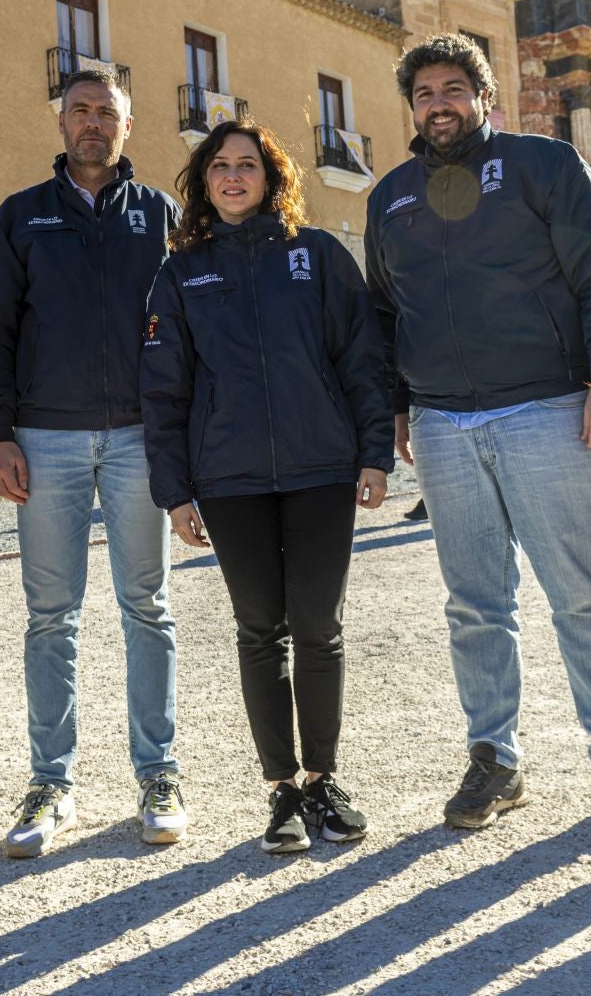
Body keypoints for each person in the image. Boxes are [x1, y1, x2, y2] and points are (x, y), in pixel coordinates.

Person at [364, 33, 591, 844]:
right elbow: (384, 315)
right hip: (444, 425)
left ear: (484, 98)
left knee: (582, 594)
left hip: (548, 410)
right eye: (424, 94)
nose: (439, 103)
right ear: (412, 109)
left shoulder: (544, 166)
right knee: (475, 604)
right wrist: (396, 409)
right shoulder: (390, 197)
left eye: (455, 88)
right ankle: (496, 756)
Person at [142, 120, 393, 854]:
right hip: (229, 480)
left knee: (319, 628)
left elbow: (361, 357)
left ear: (271, 177)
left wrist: (374, 451)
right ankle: (280, 790)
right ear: (203, 181)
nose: (232, 176)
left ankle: (323, 778)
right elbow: (164, 390)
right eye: (219, 165)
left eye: (247, 164)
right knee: (260, 631)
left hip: (321, 469)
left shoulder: (313, 255)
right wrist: (175, 491)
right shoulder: (182, 272)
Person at [0, 66, 186, 857]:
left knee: (149, 605)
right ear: (61, 124)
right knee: (50, 616)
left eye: (108, 113)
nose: (93, 123)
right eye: (80, 111)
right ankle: (51, 782)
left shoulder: (162, 215)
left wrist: (181, 435)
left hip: (140, 437)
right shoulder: (20, 218)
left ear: (128, 127)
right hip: (46, 439)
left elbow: (186, 331)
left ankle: (158, 772)